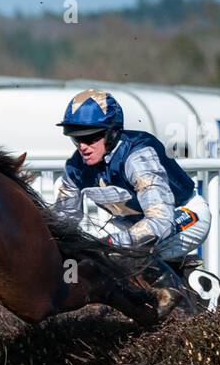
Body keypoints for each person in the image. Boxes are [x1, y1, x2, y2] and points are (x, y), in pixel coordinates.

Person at [52, 89, 211, 270]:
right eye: (76, 138)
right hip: (132, 224)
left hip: (183, 216)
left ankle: (179, 291)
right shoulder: (75, 166)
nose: (83, 147)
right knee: (81, 254)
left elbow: (160, 221)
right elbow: (63, 222)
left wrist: (110, 243)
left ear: (112, 133)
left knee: (119, 260)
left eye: (90, 138)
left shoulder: (138, 157)